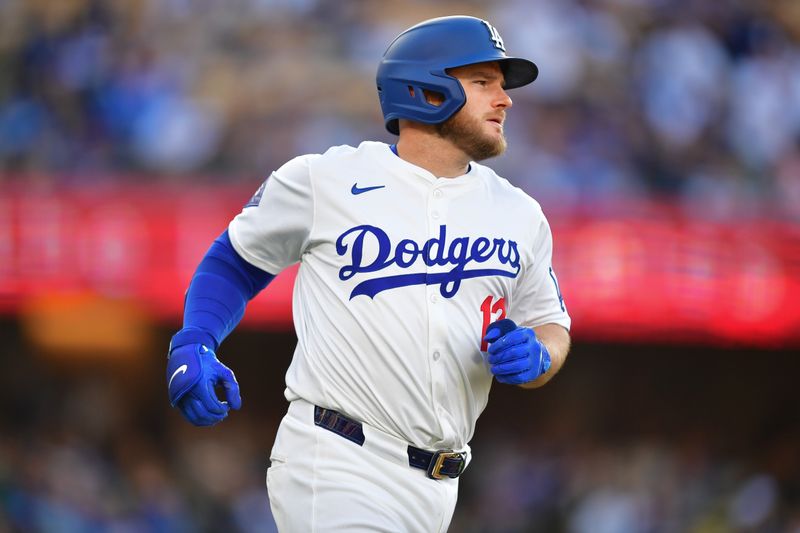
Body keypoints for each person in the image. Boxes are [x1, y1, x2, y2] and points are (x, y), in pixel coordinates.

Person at [166, 15, 571, 532]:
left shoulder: (521, 214)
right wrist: (196, 338)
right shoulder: (327, 179)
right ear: (427, 91)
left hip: (439, 485)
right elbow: (235, 260)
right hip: (337, 458)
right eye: (483, 82)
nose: (505, 99)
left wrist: (540, 355)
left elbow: (550, 323)